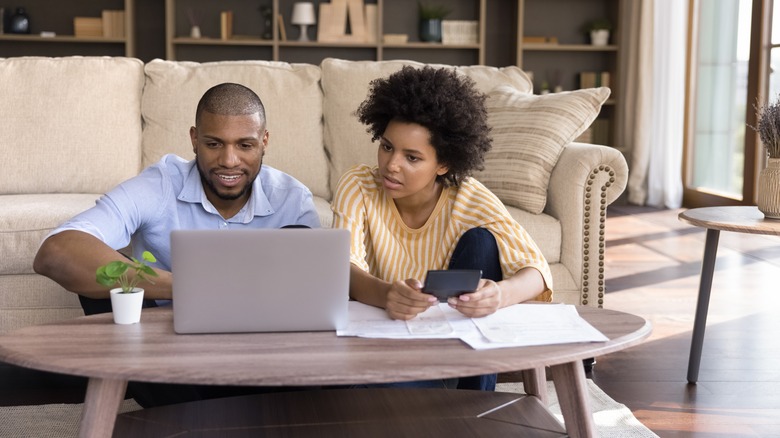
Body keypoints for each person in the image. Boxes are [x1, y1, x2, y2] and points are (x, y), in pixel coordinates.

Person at [33, 82, 320, 406]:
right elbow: (55, 251)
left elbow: (310, 298)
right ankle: (197, 413)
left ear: (264, 141)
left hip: (258, 357)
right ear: (194, 139)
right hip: (166, 359)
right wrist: (185, 286)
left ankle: (209, 414)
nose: (229, 160)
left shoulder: (292, 198)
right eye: (214, 144)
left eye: (245, 145)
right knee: (104, 281)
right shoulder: (159, 184)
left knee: (302, 245)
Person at [331, 66, 554, 391]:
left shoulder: (468, 197)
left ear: (444, 164)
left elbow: (537, 271)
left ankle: (472, 401)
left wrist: (498, 295)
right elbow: (343, 268)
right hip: (385, 342)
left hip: (455, 347)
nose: (391, 165)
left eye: (412, 157)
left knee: (482, 241)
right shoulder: (359, 185)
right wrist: (387, 295)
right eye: (387, 146)